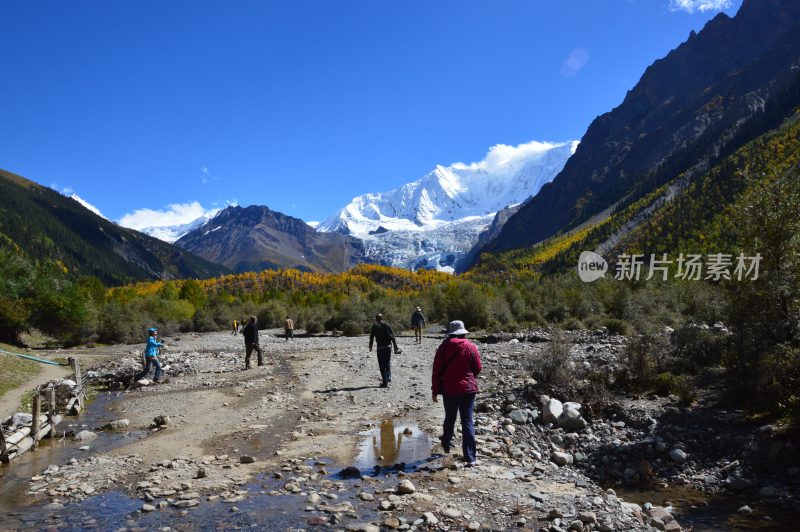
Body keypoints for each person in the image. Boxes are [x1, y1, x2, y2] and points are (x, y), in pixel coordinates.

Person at [431, 320, 482, 466]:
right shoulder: (470, 347)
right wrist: (469, 378)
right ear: (463, 333)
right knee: (467, 421)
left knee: (450, 417)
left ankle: (446, 444)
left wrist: (435, 391)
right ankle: (471, 458)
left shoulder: (443, 348)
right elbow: (477, 368)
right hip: (468, 390)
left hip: (449, 389)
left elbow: (436, 372)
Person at [369, 314, 400, 388]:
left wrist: (370, 346)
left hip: (380, 348)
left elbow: (371, 337)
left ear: (376, 319)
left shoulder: (374, 326)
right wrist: (395, 347)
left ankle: (385, 382)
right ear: (382, 318)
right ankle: (388, 377)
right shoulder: (387, 325)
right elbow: (392, 336)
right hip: (388, 347)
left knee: (382, 365)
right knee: (387, 362)